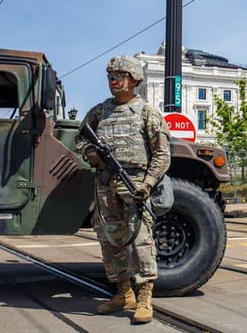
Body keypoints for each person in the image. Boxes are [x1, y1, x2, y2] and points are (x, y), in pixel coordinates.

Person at [75, 55, 171, 324]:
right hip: (106, 183)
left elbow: (162, 155)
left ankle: (144, 297)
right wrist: (91, 152)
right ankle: (123, 293)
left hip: (136, 183)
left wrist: (148, 183)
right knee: (110, 238)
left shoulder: (146, 112)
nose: (113, 81)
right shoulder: (99, 111)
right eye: (110, 77)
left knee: (140, 239)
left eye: (119, 76)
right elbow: (80, 140)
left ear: (134, 80)